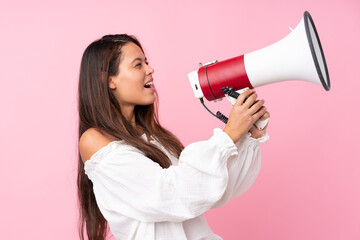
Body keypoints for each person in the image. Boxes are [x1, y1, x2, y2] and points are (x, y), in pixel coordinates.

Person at [77, 34, 270, 240]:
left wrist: (248, 136)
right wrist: (229, 136)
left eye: (147, 63)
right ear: (109, 80)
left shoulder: (158, 137)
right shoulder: (95, 141)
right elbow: (168, 195)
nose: (150, 70)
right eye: (137, 65)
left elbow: (207, 191)